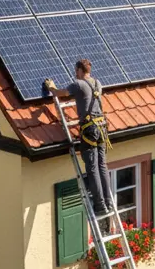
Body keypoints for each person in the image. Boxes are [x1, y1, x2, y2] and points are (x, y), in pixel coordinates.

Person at [44, 59, 114, 216]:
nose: (75, 73)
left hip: (90, 130)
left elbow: (61, 93)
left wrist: (51, 88)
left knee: (92, 168)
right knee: (102, 165)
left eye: (76, 71)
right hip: (102, 127)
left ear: (81, 70)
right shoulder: (97, 83)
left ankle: (100, 205)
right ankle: (109, 202)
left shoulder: (78, 84)